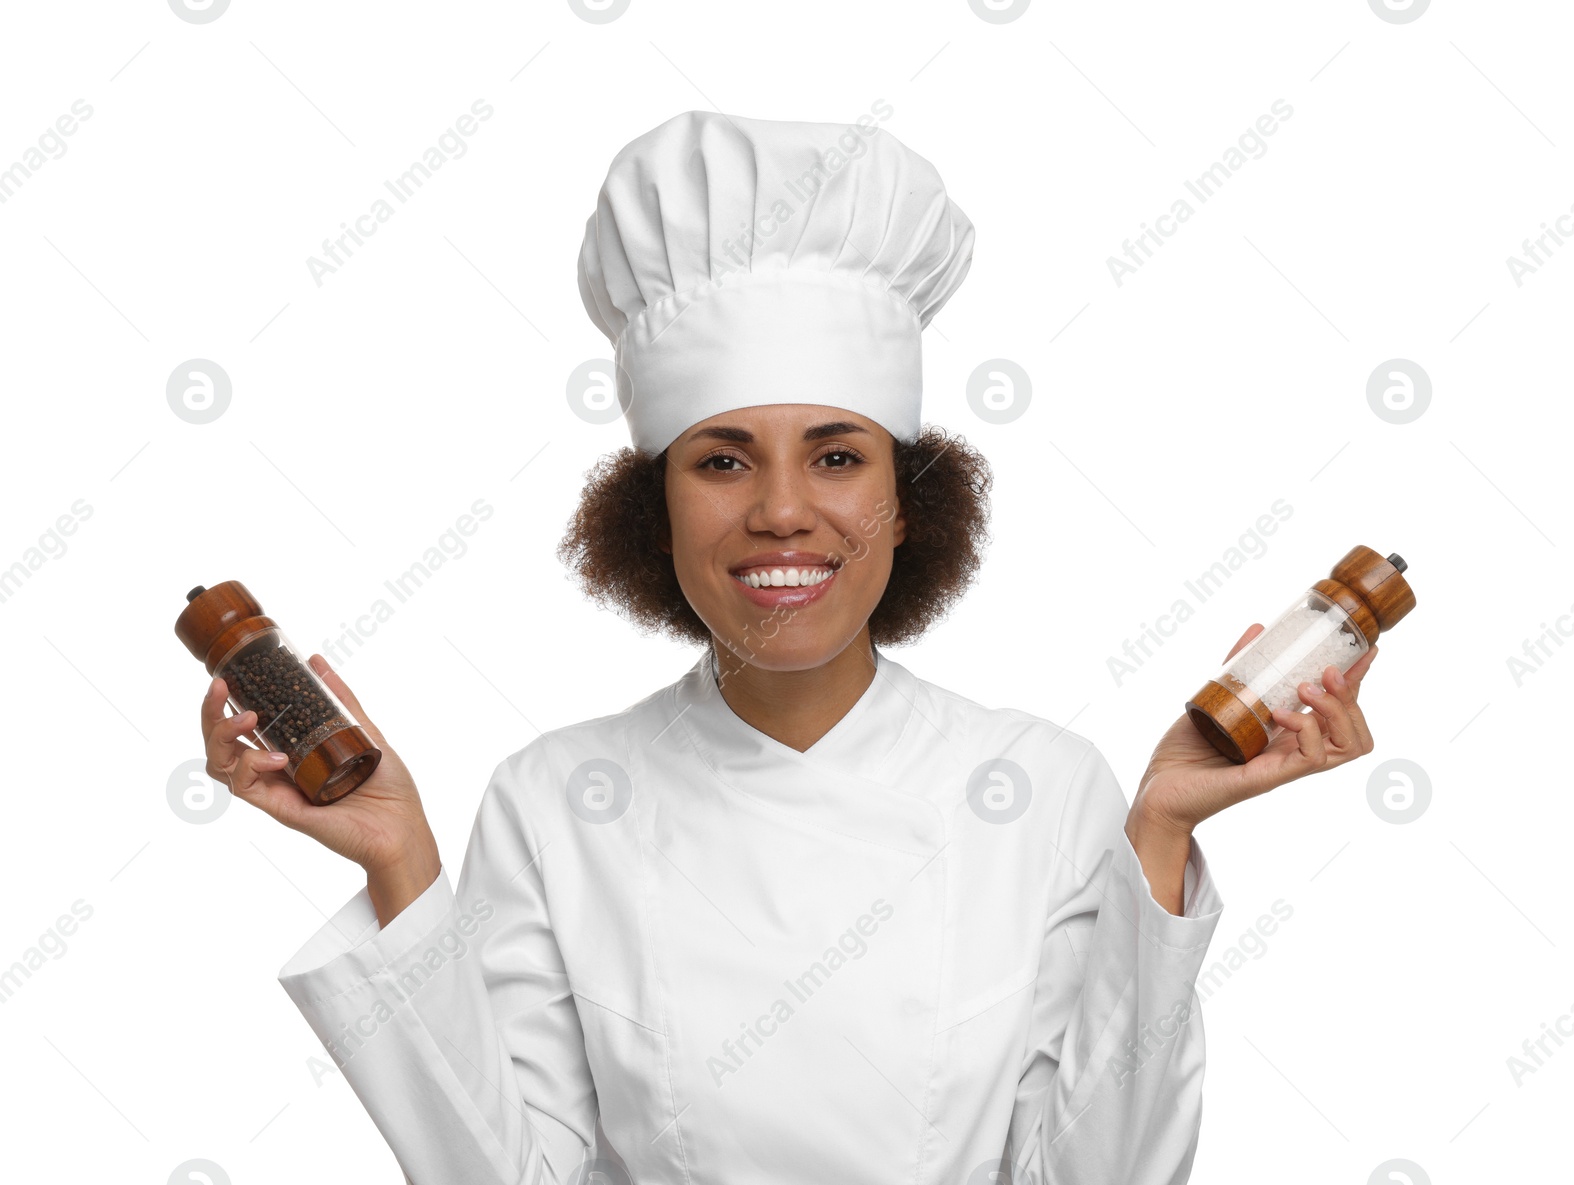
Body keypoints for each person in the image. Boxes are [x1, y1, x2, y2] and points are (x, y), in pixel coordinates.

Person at [198, 110, 1380, 1185]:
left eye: (835, 455)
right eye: (720, 459)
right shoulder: (555, 801)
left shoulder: (1042, 788)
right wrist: (401, 864)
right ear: (651, 508)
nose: (779, 512)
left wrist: (1161, 833)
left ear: (910, 499)